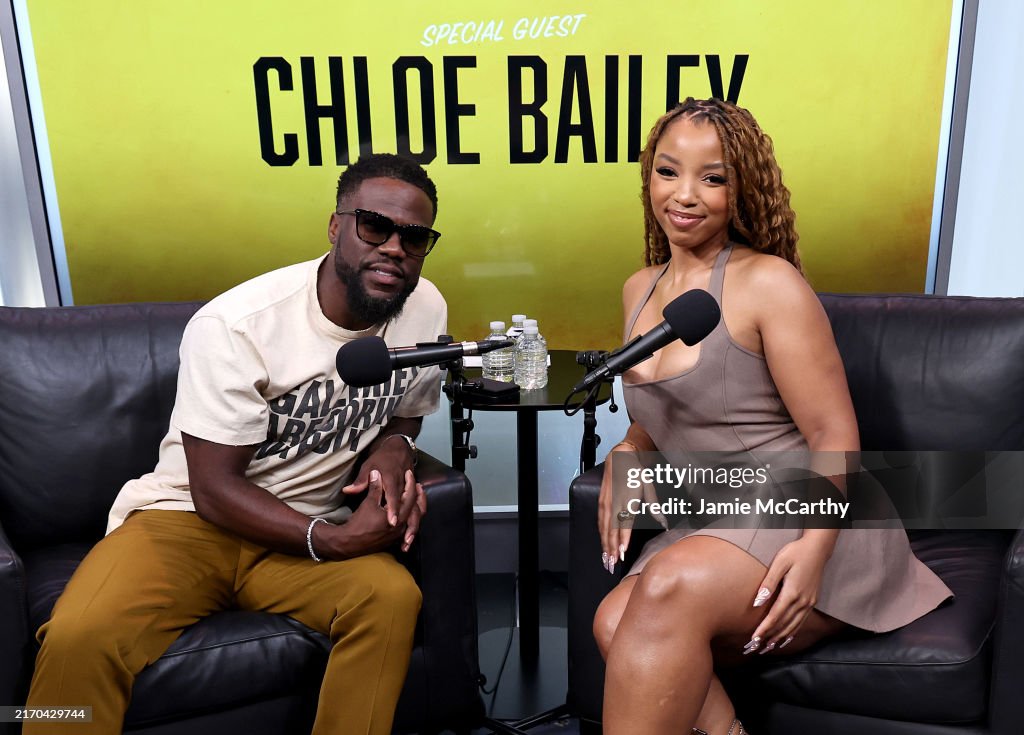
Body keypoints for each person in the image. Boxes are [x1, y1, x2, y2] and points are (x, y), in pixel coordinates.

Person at [25, 153, 448, 734]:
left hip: (300, 535)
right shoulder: (237, 324)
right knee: (80, 635)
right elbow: (215, 490)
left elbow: (404, 414)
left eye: (415, 237)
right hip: (190, 524)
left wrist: (396, 445)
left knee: (390, 598)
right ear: (335, 226)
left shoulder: (424, 307)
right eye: (375, 226)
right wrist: (335, 540)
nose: (395, 248)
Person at [593, 98, 952, 735]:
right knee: (610, 621)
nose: (684, 194)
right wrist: (629, 449)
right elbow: (660, 416)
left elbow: (832, 431)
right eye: (668, 171)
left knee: (666, 587)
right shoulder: (637, 289)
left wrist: (815, 550)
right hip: (716, 512)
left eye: (712, 177)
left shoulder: (768, 283)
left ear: (742, 189)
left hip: (807, 509)